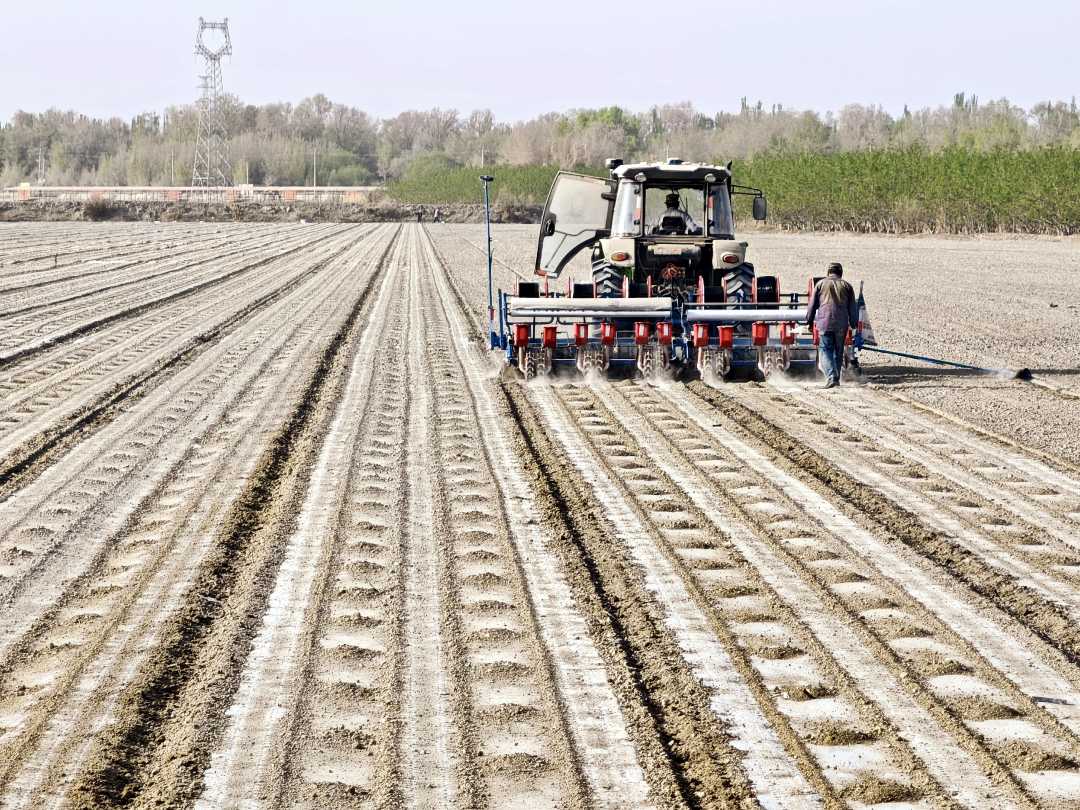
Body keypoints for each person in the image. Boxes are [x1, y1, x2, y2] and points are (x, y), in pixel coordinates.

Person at [806, 262, 858, 389]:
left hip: (825, 322)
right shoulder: (847, 286)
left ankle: (831, 377)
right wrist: (853, 323)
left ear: (828, 272)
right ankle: (836, 378)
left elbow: (812, 306)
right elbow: (852, 308)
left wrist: (809, 321)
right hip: (841, 324)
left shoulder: (820, 284)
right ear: (840, 272)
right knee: (838, 351)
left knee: (825, 350)